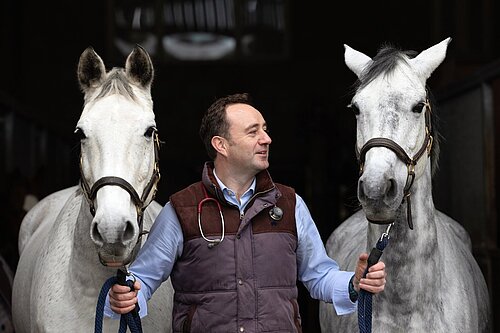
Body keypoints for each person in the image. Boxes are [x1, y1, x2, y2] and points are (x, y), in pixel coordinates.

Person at [106, 93, 386, 332]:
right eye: (253, 132)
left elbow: (319, 277)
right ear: (221, 145)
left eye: (265, 129)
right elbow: (141, 280)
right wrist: (123, 296)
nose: (267, 139)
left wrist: (353, 282)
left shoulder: (290, 204)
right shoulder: (182, 210)